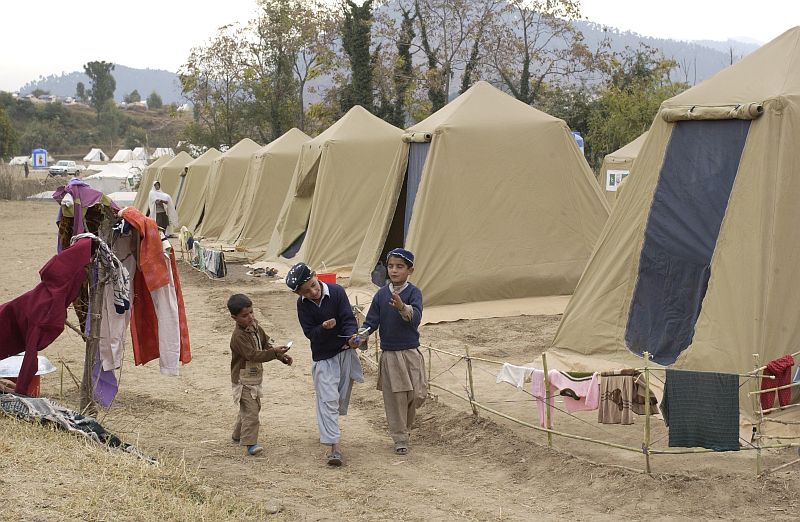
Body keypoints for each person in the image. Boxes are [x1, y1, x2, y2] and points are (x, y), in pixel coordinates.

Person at [286, 262, 363, 466]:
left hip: (345, 353)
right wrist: (323, 327)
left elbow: (347, 318)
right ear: (298, 294)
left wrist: (352, 337)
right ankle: (334, 447)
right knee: (328, 399)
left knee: (338, 399)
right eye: (306, 290)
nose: (313, 291)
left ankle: (329, 429)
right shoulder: (303, 305)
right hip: (324, 357)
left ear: (316, 276)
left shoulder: (337, 292)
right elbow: (310, 334)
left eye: (313, 284)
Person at [354, 248, 426, 455]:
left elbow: (417, 317)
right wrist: (361, 336)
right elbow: (371, 322)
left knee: (417, 394)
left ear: (410, 270)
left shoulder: (414, 293)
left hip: (411, 352)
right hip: (391, 354)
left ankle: (406, 427)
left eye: (400, 267)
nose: (394, 271)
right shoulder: (381, 295)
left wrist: (403, 307)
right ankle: (400, 437)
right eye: (391, 266)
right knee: (396, 398)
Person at [227, 293, 293, 456]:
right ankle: (250, 443)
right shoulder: (238, 337)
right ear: (234, 318)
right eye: (245, 315)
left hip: (254, 376)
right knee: (251, 411)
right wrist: (273, 352)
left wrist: (281, 355)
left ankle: (237, 435)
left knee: (252, 408)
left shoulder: (255, 327)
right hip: (243, 379)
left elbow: (266, 343)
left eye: (251, 312)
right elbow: (253, 355)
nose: (250, 317)